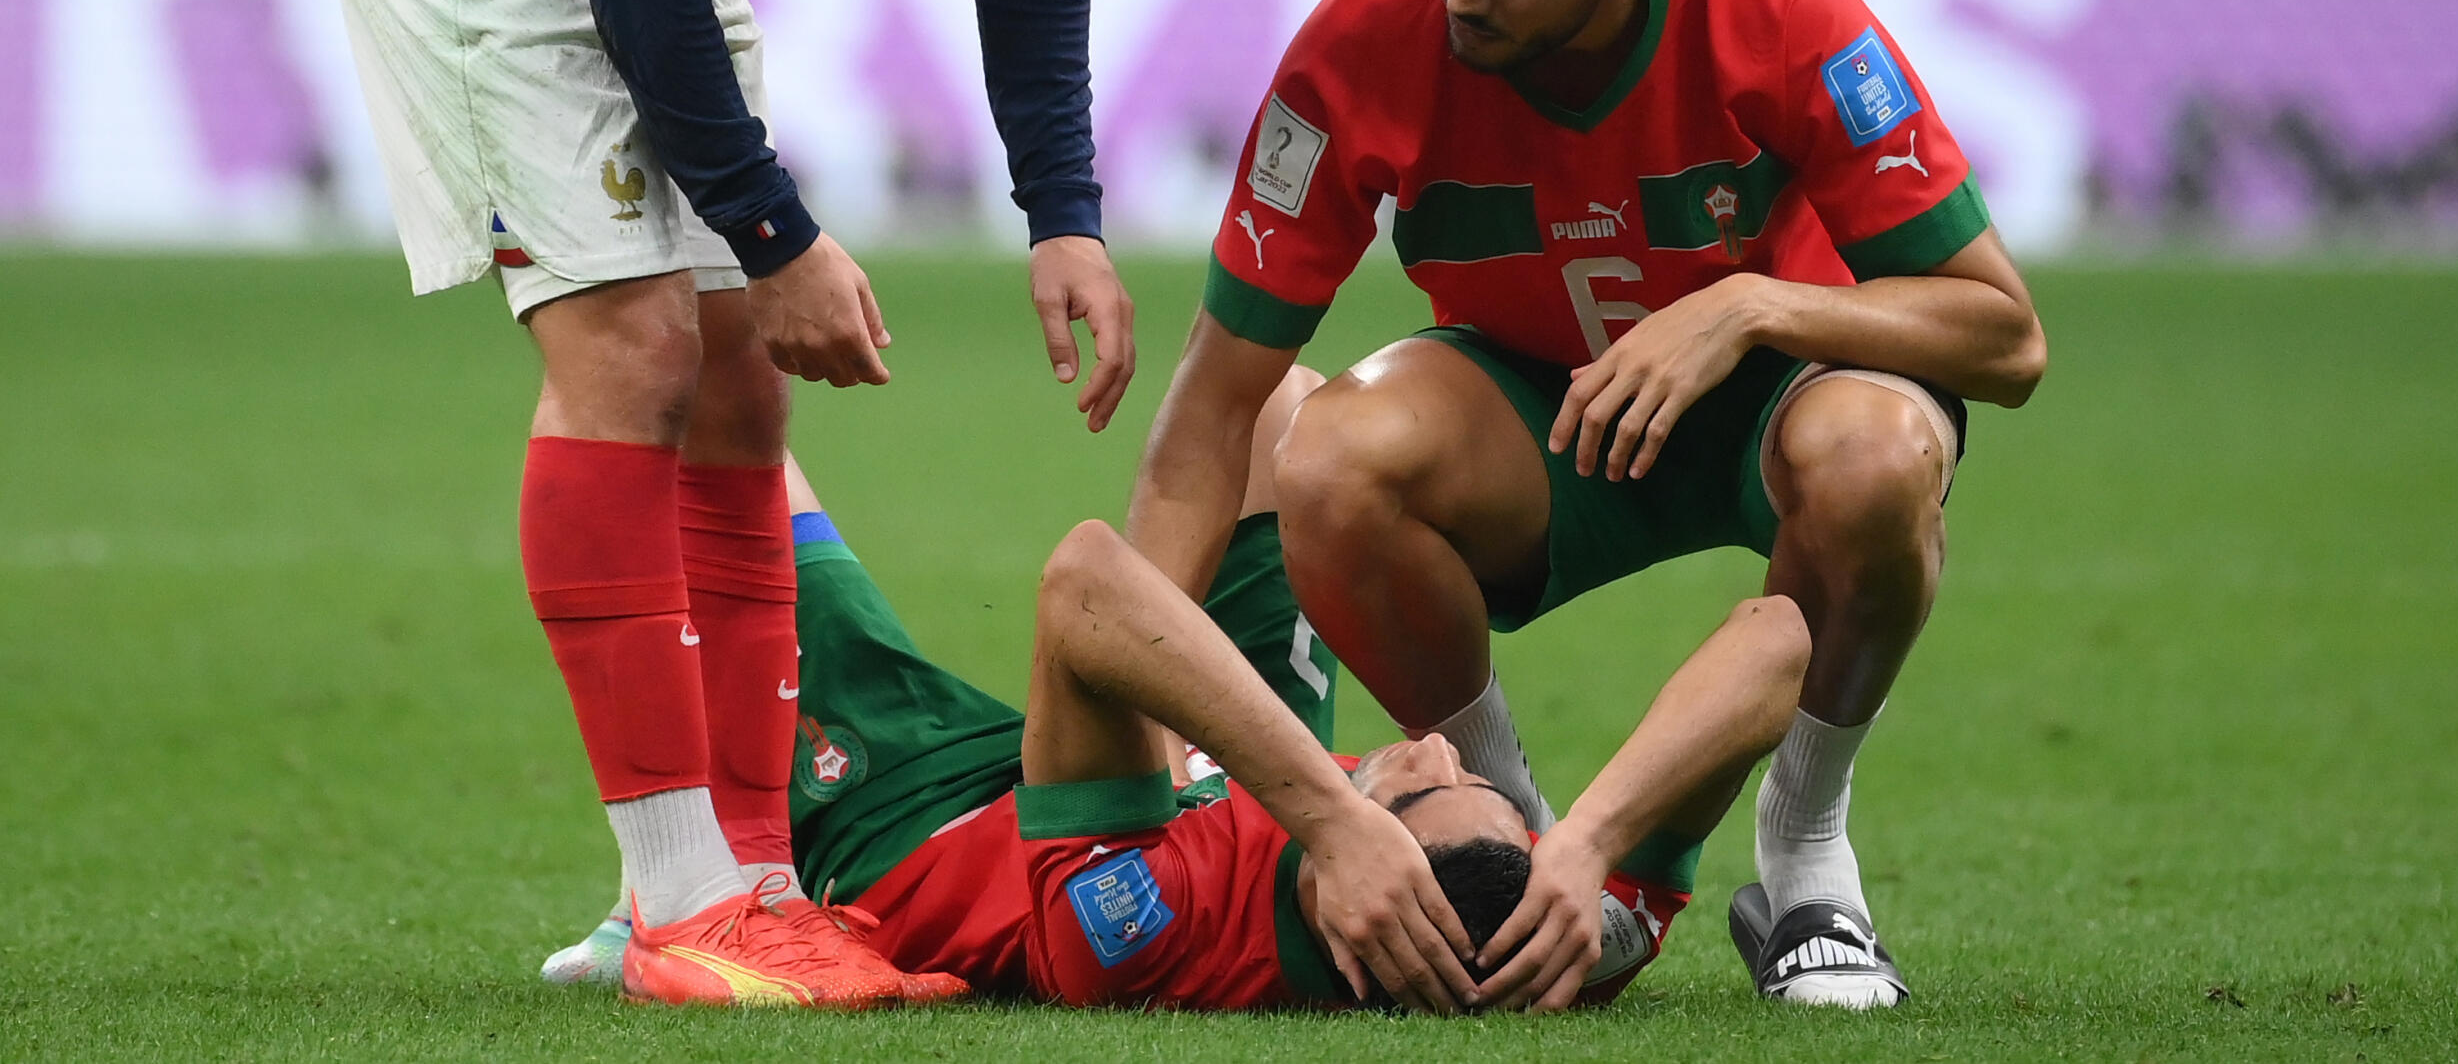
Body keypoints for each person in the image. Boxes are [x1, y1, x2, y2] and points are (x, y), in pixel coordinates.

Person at [324, 0, 1288, 1007]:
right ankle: (679, 900)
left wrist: (1065, 212)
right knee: (636, 355)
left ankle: (758, 882)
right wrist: (779, 239)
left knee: (740, 388)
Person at [1124, 0, 2047, 1008]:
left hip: (1782, 397)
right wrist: (1145, 740)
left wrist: (1749, 307)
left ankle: (1804, 865)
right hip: (1538, 418)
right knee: (1326, 457)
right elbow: (1213, 408)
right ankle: (1521, 857)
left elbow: (2003, 338)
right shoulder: (1366, 33)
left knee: (1875, 462)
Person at [552, 374, 1810, 1012]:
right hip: (1226, 790)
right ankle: (1179, 686)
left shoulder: (1142, 925)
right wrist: (1583, 844)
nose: (1429, 749)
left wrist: (1330, 810)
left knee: (692, 422)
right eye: (1475, 783)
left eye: (1420, 793)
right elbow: (1775, 638)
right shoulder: (1546, 942)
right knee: (1285, 406)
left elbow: (1081, 583)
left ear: (1367, 915)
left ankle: (666, 881)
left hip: (915, 823)